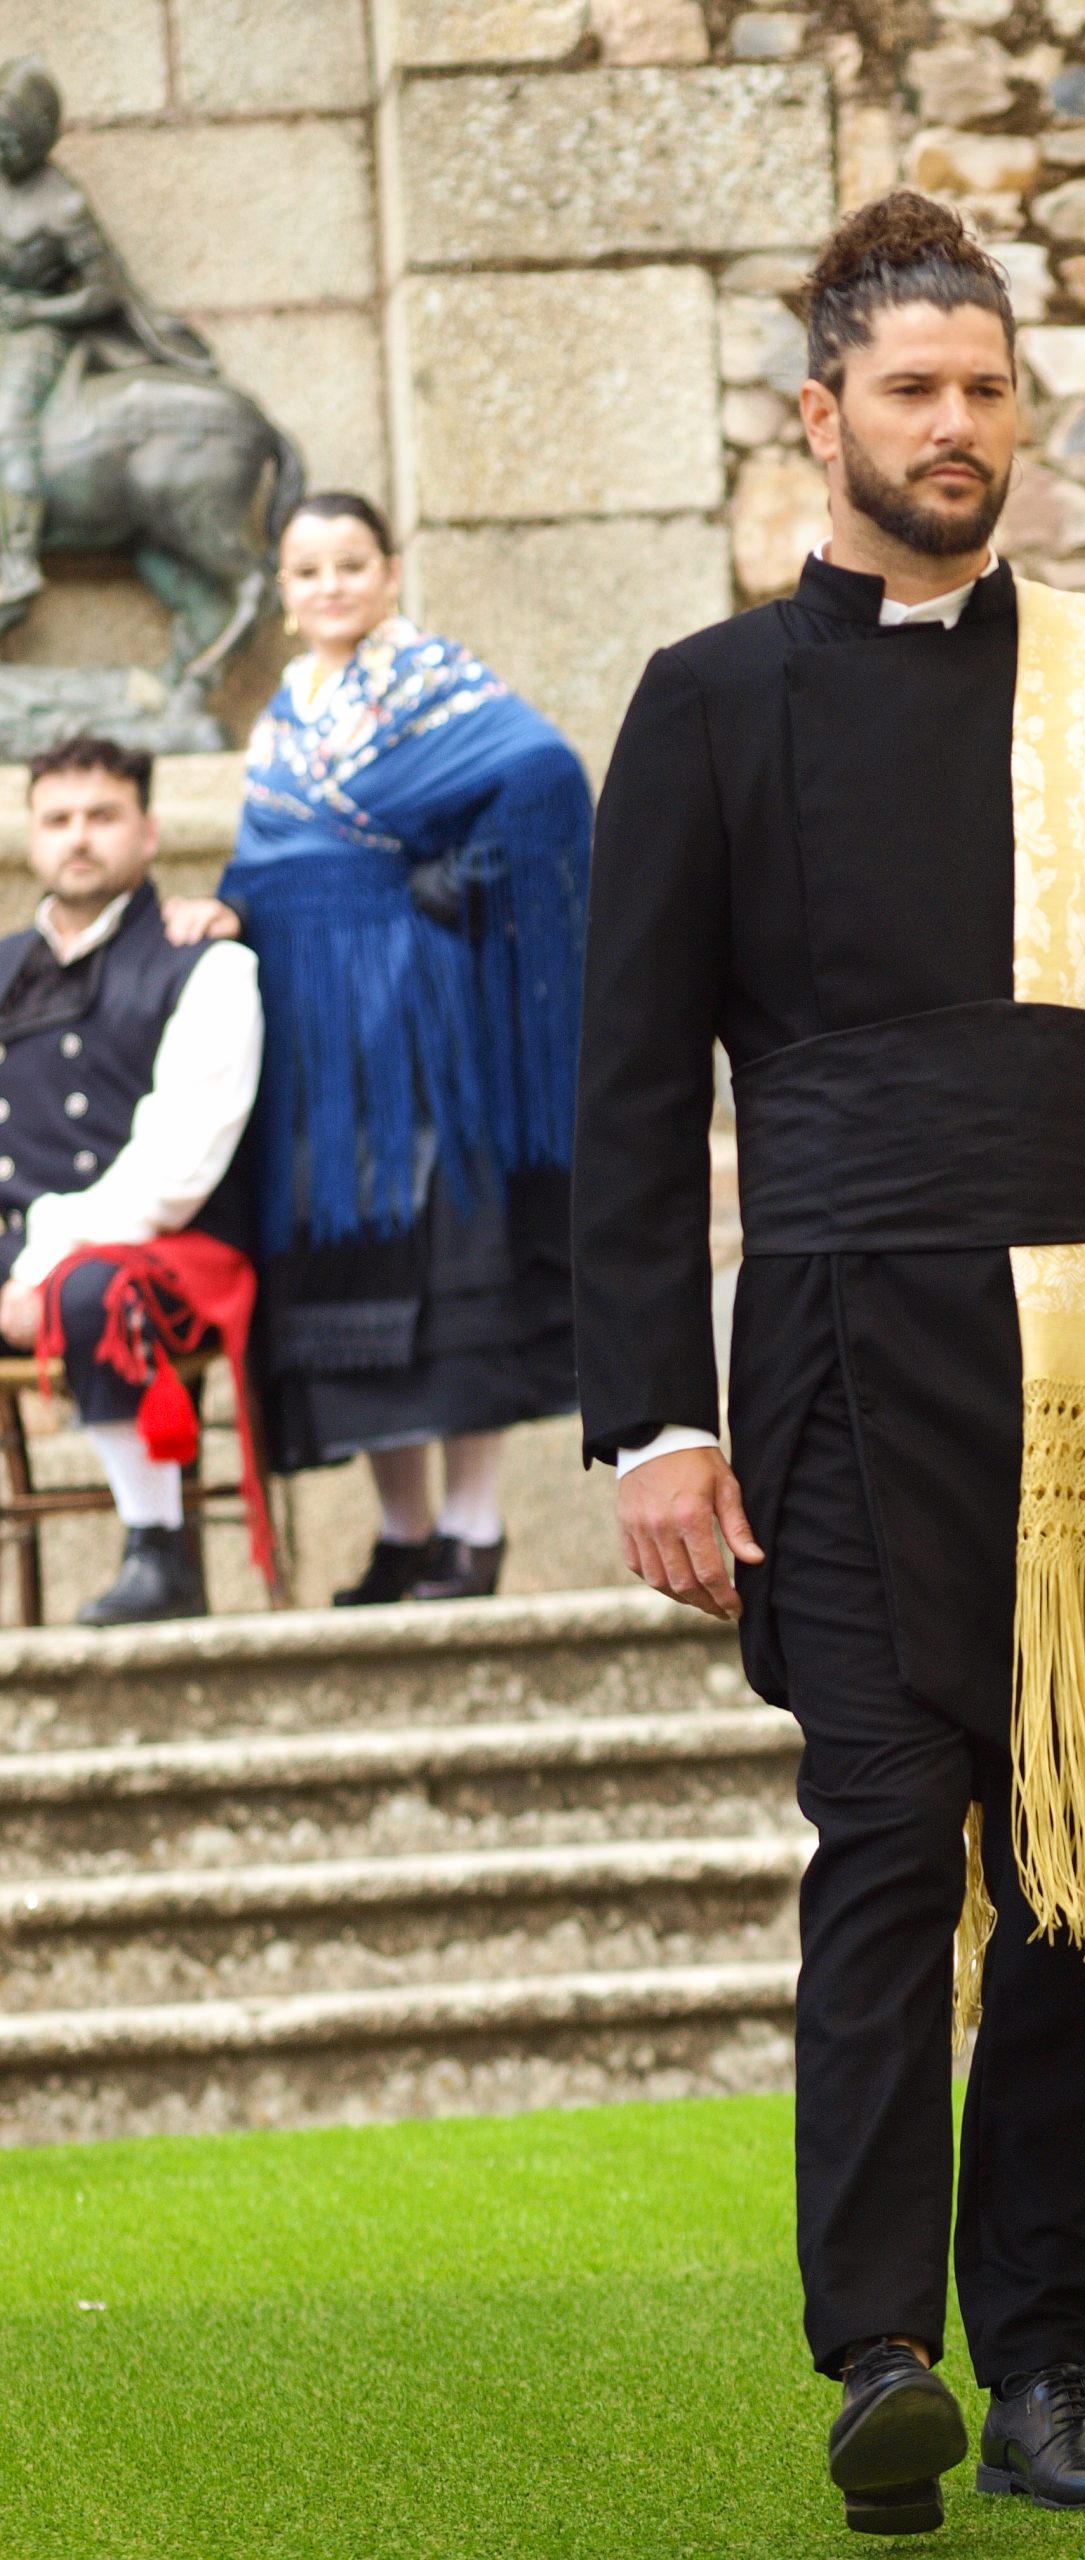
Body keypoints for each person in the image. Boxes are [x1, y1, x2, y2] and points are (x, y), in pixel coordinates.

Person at [574, 194, 1085, 2534]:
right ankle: (878, 2355)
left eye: (987, 389)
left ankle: (1043, 2362)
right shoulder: (706, 702)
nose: (956, 425)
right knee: (880, 1835)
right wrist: (657, 1417)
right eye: (912, 389)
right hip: (836, 1343)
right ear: (818, 414)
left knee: (1080, 1865)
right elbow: (629, 1091)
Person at [174, 492, 591, 1604]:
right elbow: (270, 859)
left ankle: (473, 1530)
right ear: (283, 590)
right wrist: (224, 908)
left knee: (446, 1249)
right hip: (312, 1034)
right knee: (344, 1264)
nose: (331, 587)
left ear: (390, 573)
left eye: (351, 565)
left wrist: (453, 888)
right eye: (308, 571)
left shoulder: (434, 682)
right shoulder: (282, 716)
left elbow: (545, 775)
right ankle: (402, 1535)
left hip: (417, 1017)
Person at [0, 736, 263, 1623]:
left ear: (148, 832)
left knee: (91, 1295)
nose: (78, 837)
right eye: (58, 819)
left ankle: (160, 1549)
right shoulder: (2, 969)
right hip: (30, 1249)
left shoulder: (209, 963)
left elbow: (178, 1165)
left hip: (171, 1248)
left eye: (102, 816)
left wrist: (42, 1263)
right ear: (31, 837)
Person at [0, 57, 217, 609]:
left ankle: (15, 556)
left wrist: (36, 310)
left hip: (36, 333)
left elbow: (103, 293)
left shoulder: (63, 206)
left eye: (13, 134)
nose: (4, 145)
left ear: (39, 135)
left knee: (7, 423)